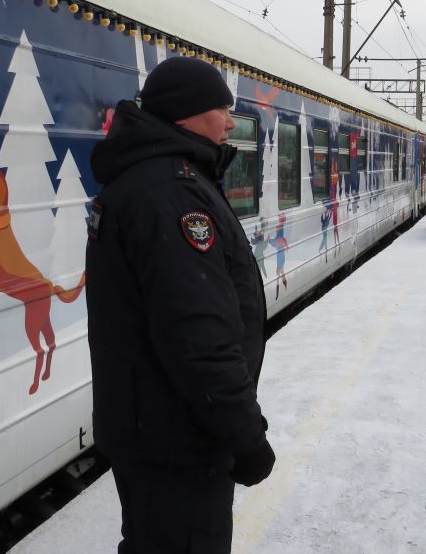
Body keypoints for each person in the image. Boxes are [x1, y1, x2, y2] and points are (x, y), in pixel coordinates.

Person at [85, 56, 274, 553]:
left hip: (156, 426)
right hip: (178, 439)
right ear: (188, 115)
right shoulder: (172, 194)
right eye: (223, 110)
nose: (231, 123)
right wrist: (246, 436)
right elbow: (198, 335)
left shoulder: (151, 180)